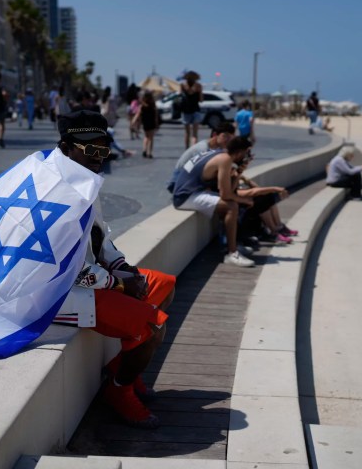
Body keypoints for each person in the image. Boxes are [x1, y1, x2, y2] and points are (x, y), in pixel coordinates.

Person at [53, 110, 176, 428]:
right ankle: (118, 390)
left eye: (103, 148)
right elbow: (71, 271)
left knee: (162, 284)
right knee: (153, 327)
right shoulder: (57, 194)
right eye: (89, 148)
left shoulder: (83, 183)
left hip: (91, 279)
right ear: (66, 147)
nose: (99, 156)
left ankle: (122, 366)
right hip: (60, 294)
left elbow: (101, 237)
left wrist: (126, 270)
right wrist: (120, 286)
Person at [172, 136, 256, 267]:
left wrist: (239, 171)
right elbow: (226, 194)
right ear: (240, 152)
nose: (246, 156)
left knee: (229, 203)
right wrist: (244, 200)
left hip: (188, 192)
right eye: (246, 153)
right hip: (185, 197)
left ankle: (230, 245)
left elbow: (228, 190)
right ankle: (232, 253)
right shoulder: (225, 159)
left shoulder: (219, 153)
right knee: (231, 206)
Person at [234, 153, 298, 243]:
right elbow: (242, 193)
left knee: (267, 197)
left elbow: (257, 188)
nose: (246, 165)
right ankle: (274, 232)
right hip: (240, 208)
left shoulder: (239, 175)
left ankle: (278, 226)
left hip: (246, 203)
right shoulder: (232, 175)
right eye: (245, 163)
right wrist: (274, 188)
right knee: (262, 201)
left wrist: (246, 180)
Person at [167, 121, 236, 192]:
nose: (228, 141)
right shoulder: (203, 149)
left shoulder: (217, 148)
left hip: (190, 178)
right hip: (178, 182)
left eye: (231, 138)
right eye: (225, 136)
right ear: (215, 134)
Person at [131, 91, 159, 158]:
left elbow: (138, 114)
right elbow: (155, 115)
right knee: (151, 138)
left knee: (146, 137)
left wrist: (133, 122)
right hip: (151, 122)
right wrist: (157, 123)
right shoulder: (153, 105)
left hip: (145, 123)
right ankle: (149, 153)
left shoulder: (142, 106)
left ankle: (144, 150)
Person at [180, 71, 203, 149]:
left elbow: (180, 96)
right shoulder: (198, 86)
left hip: (186, 110)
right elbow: (201, 100)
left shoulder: (183, 85)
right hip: (196, 110)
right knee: (195, 134)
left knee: (187, 132)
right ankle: (193, 150)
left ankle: (187, 149)